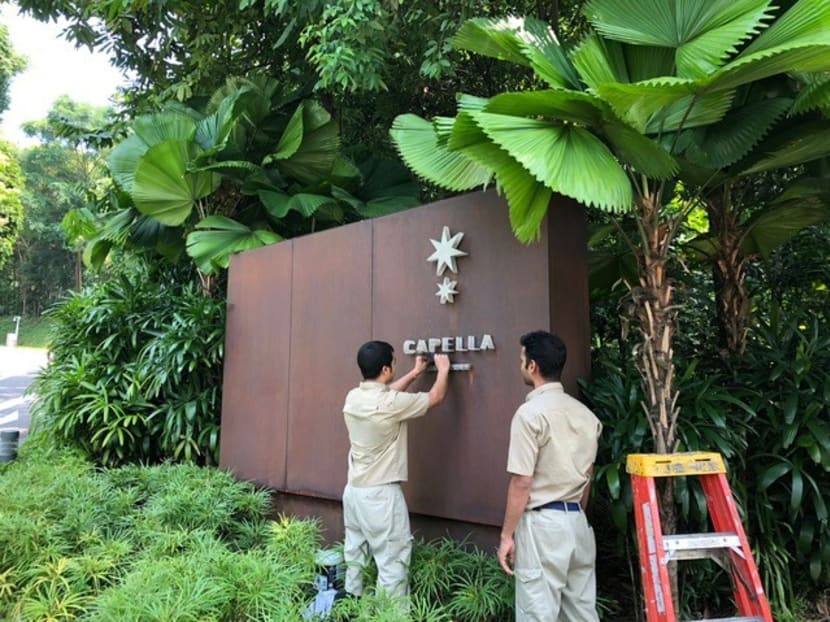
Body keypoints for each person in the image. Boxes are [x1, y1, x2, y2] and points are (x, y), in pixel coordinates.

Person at [497, 330, 602, 622]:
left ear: (532, 366)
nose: (520, 365)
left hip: (543, 525)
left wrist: (507, 535)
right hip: (578, 523)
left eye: (521, 360)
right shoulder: (586, 416)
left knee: (537, 614)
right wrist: (576, 514)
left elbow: (522, 481)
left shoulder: (529, 414)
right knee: (581, 613)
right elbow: (588, 476)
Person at [342, 341, 451, 603]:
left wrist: (414, 373)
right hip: (381, 497)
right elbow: (434, 398)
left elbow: (386, 395)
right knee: (392, 564)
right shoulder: (389, 403)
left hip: (354, 493)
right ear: (386, 368)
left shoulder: (354, 398)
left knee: (355, 557)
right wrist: (444, 369)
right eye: (394, 362)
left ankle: (351, 607)